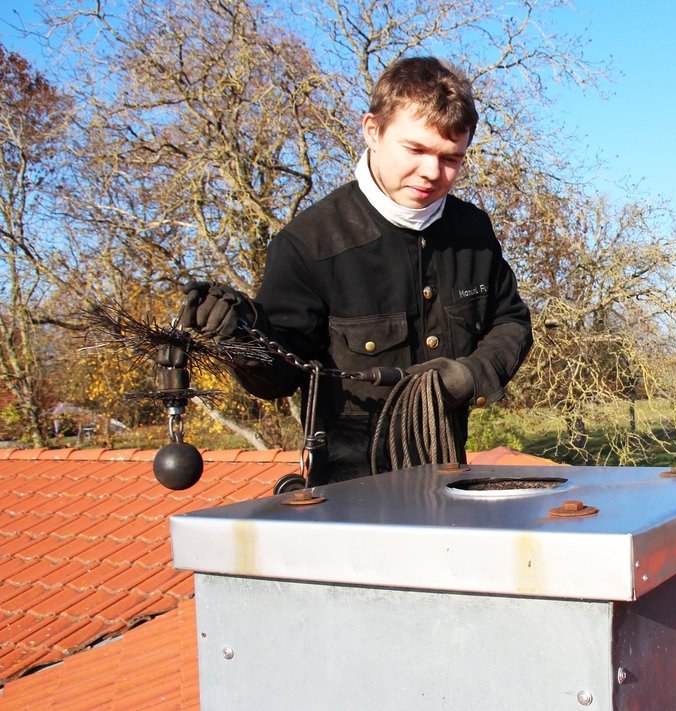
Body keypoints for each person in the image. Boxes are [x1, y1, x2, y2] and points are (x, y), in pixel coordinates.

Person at [180, 56, 532, 484]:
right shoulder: (309, 242)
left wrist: (468, 375)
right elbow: (279, 375)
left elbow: (510, 320)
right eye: (416, 150)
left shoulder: (472, 231)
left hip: (449, 480)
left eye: (451, 158)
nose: (432, 173)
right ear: (372, 131)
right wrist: (241, 337)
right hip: (347, 495)